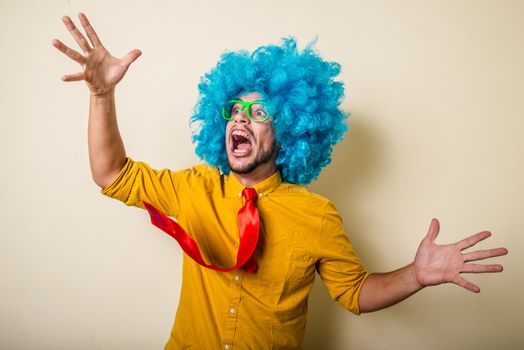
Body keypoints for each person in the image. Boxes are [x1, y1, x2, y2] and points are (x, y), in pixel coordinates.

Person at [53, 13, 508, 350]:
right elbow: (111, 173)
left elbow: (354, 292)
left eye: (258, 113)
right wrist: (101, 94)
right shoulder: (196, 186)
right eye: (233, 111)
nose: (241, 119)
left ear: (289, 128)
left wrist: (417, 275)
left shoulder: (318, 215)